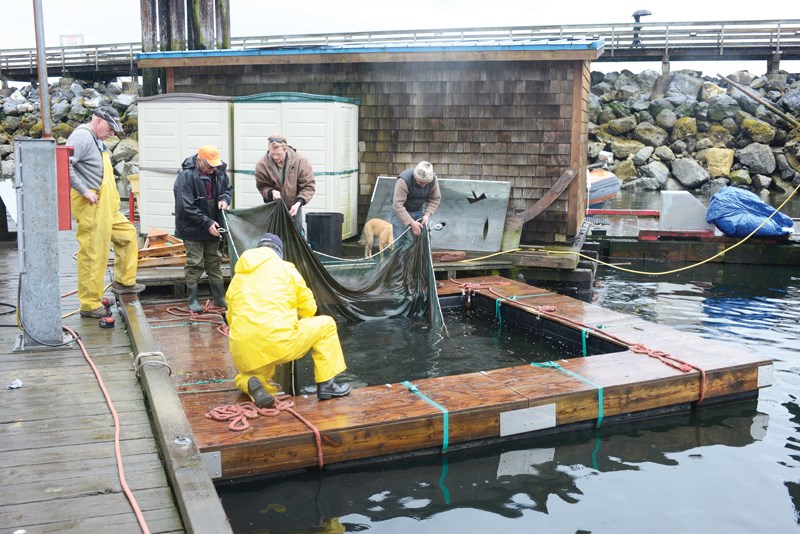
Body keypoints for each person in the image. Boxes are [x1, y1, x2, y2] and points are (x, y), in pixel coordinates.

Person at [226, 232, 351, 407]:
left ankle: (250, 383)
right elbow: (309, 307)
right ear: (278, 252)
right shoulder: (286, 269)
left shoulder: (239, 276)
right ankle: (327, 385)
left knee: (252, 376)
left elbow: (231, 316)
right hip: (279, 341)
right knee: (327, 325)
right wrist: (298, 322)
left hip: (244, 348)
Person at [67, 105, 145, 318]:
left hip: (107, 206)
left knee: (128, 235)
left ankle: (124, 281)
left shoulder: (96, 138)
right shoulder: (82, 137)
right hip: (92, 205)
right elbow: (64, 165)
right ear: (99, 121)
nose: (112, 133)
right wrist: (84, 191)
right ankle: (90, 304)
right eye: (110, 128)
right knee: (94, 253)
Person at [173, 144, 233, 313]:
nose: (212, 169)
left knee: (215, 261)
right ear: (199, 160)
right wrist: (207, 223)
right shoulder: (186, 176)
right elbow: (186, 206)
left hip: (213, 225)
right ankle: (192, 299)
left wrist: (224, 199)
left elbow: (228, 189)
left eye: (214, 165)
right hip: (192, 228)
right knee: (195, 263)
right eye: (209, 166)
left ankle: (220, 298)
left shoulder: (219, 171)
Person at [255, 135, 315, 233]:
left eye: (278, 154)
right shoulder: (262, 164)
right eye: (272, 154)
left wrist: (298, 203)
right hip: (272, 208)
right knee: (274, 238)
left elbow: (308, 186)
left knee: (296, 237)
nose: (275, 157)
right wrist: (271, 192)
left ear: (285, 150)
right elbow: (262, 186)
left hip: (294, 208)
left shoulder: (300, 161)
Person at [390, 161, 441, 242]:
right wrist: (411, 222)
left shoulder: (433, 179)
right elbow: (397, 205)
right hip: (401, 211)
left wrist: (427, 214)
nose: (424, 185)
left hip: (418, 209)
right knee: (400, 242)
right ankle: (400, 254)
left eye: (426, 182)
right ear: (415, 176)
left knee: (422, 238)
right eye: (421, 182)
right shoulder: (404, 181)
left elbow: (435, 198)